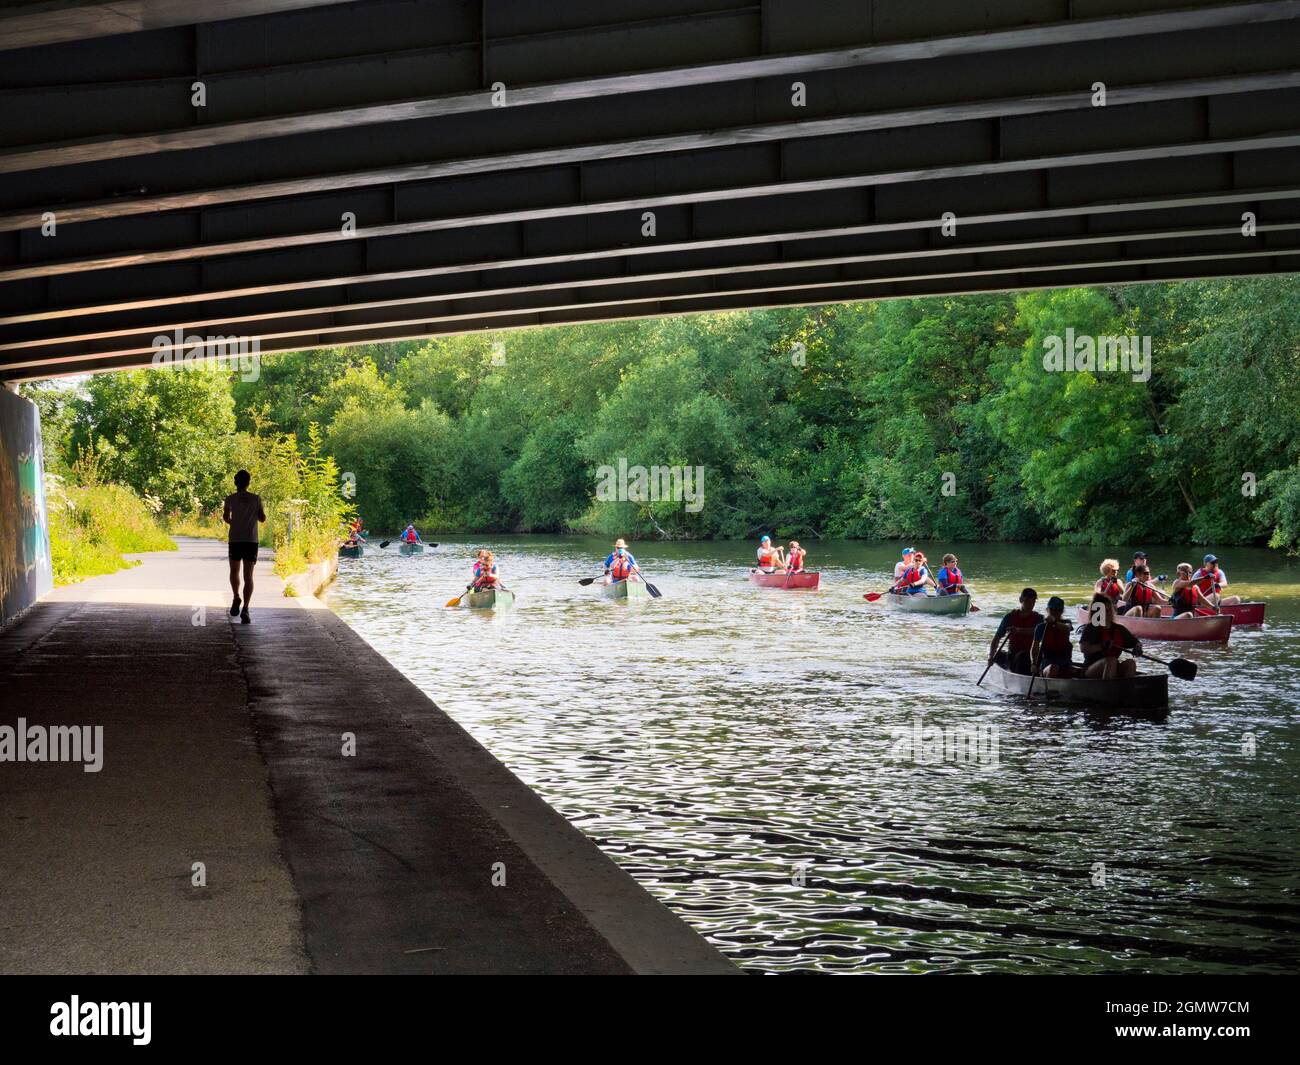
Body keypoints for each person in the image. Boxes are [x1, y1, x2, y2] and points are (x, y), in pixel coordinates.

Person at [222, 469, 266, 625]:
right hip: (250, 541)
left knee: (234, 571)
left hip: (235, 539)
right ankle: (246, 609)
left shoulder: (230, 499)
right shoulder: (256, 499)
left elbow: (226, 517)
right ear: (248, 482)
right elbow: (262, 518)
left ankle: (236, 597)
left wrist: (234, 523)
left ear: (235, 483)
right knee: (249, 576)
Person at [1079, 593, 1141, 679]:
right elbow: (1083, 648)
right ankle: (1109, 691)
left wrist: (1138, 647)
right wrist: (1101, 646)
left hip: (1112, 665)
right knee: (1111, 661)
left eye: (1108, 611)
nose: (1106, 614)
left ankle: (1126, 690)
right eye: (1103, 611)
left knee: (1131, 663)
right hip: (1091, 669)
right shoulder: (1091, 628)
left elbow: (1136, 642)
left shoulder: (1120, 629)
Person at [988, 588, 1043, 674]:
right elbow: (997, 638)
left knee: (1023, 656)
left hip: (1032, 656)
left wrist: (1018, 630)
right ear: (1021, 600)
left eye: (1033, 601)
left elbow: (1037, 631)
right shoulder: (1010, 617)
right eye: (1027, 600)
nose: (1030, 604)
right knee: (997, 655)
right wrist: (991, 656)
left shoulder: (1039, 618)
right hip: (1013, 654)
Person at [1031, 596, 1080, 678]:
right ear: (1047, 610)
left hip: (1065, 663)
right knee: (1053, 668)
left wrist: (1053, 622)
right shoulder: (1041, 627)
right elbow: (1034, 648)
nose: (1056, 612)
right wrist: (1033, 663)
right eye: (1053, 610)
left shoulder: (1067, 623)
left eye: (1059, 610)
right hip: (1047, 664)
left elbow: (1067, 629)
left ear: (1062, 611)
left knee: (1080, 671)